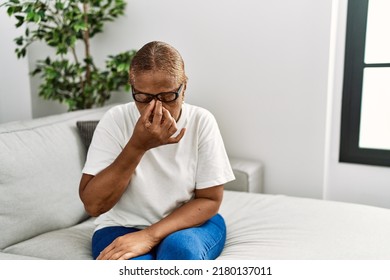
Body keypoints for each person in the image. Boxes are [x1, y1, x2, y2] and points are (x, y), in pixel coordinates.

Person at [79, 41, 235, 260]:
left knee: (180, 252)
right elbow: (93, 205)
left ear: (184, 88)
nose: (156, 108)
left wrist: (150, 235)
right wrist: (137, 146)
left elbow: (210, 200)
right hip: (123, 225)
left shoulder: (201, 121)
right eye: (143, 98)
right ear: (133, 90)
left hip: (188, 224)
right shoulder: (116, 120)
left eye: (167, 97)